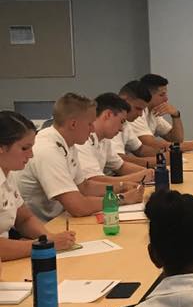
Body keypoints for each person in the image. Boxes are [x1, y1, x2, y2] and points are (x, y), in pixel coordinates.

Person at [16, 93, 144, 221]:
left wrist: (122, 186)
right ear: (73, 124)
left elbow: (84, 187)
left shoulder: (68, 143)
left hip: (58, 219)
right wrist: (123, 198)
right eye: (89, 124)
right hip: (42, 227)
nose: (93, 129)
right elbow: (78, 207)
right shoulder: (48, 149)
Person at [0, 111, 76, 260]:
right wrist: (43, 245)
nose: (31, 155)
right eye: (24, 148)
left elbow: (24, 219)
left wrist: (48, 237)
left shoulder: (7, 174)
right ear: (1, 147)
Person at [77, 93, 150, 187]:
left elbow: (120, 166)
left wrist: (149, 173)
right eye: (122, 121)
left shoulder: (104, 139)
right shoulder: (82, 139)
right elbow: (94, 180)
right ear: (108, 115)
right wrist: (138, 177)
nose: (121, 129)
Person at [129, 73, 193, 154]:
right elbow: (151, 145)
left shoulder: (154, 112)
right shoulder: (136, 115)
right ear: (147, 95)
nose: (166, 99)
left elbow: (176, 140)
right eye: (162, 95)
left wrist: (175, 115)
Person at [112, 80, 162, 168]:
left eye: (142, 110)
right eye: (138, 108)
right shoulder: (112, 122)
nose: (140, 114)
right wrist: (158, 160)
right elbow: (118, 159)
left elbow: (140, 149)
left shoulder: (125, 123)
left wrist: (162, 154)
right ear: (123, 100)